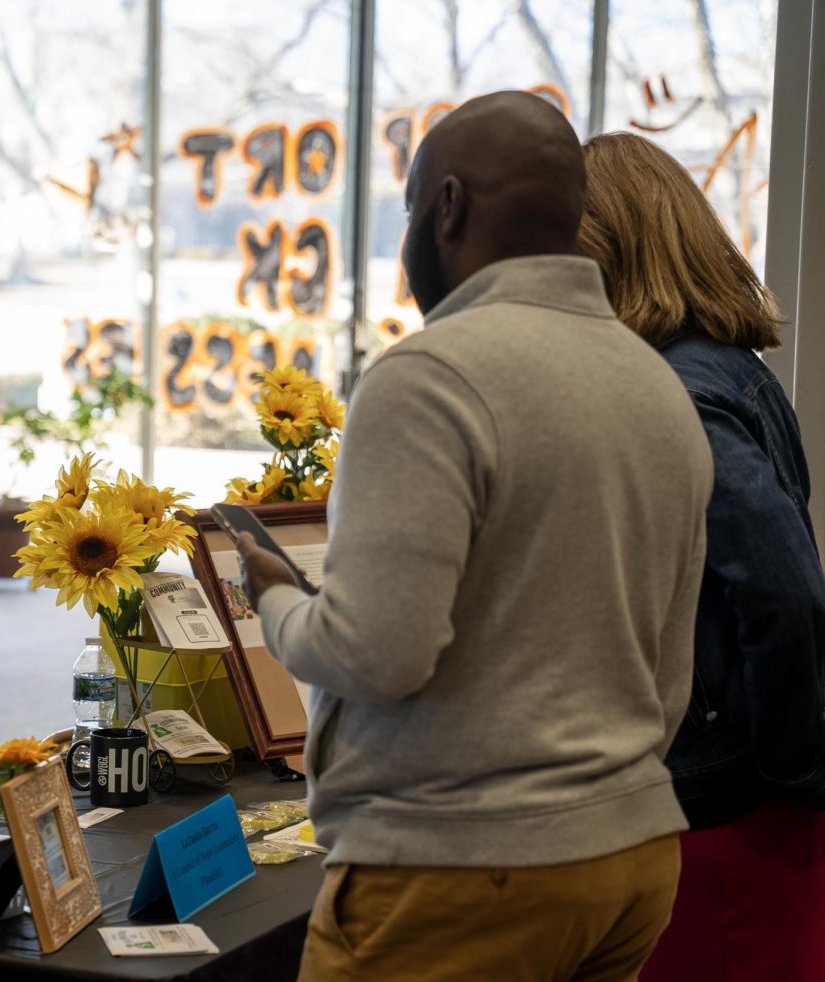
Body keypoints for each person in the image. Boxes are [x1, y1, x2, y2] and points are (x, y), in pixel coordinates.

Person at [236, 91, 714, 981]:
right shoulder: (657, 386)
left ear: (447, 207)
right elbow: (665, 667)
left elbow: (376, 652)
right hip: (631, 855)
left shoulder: (431, 376)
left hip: (461, 867)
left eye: (413, 206)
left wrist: (271, 595)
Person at [578, 132, 825, 981]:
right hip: (747, 802)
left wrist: (786, 761)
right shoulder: (731, 367)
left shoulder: (679, 394)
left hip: (727, 812)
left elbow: (784, 592)